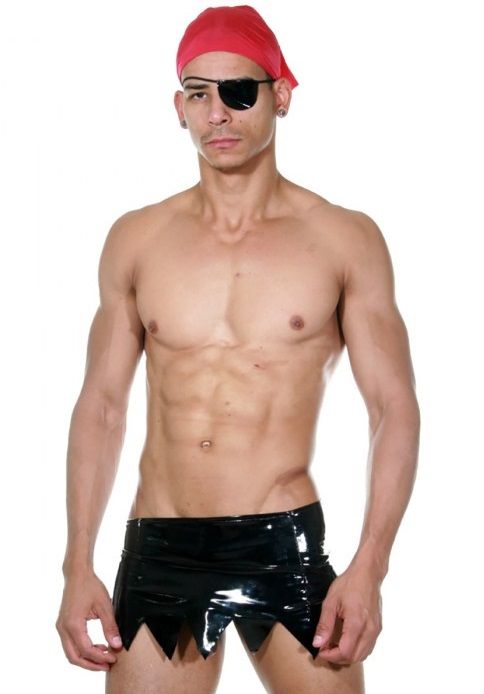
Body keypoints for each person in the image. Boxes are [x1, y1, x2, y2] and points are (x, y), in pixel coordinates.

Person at [55, 5, 420, 693]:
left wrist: (371, 566)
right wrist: (77, 563)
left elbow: (393, 408)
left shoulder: (343, 239)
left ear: (281, 95)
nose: (217, 113)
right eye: (198, 93)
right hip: (161, 542)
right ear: (179, 107)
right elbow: (101, 406)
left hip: (283, 543)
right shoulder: (137, 238)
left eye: (238, 91)